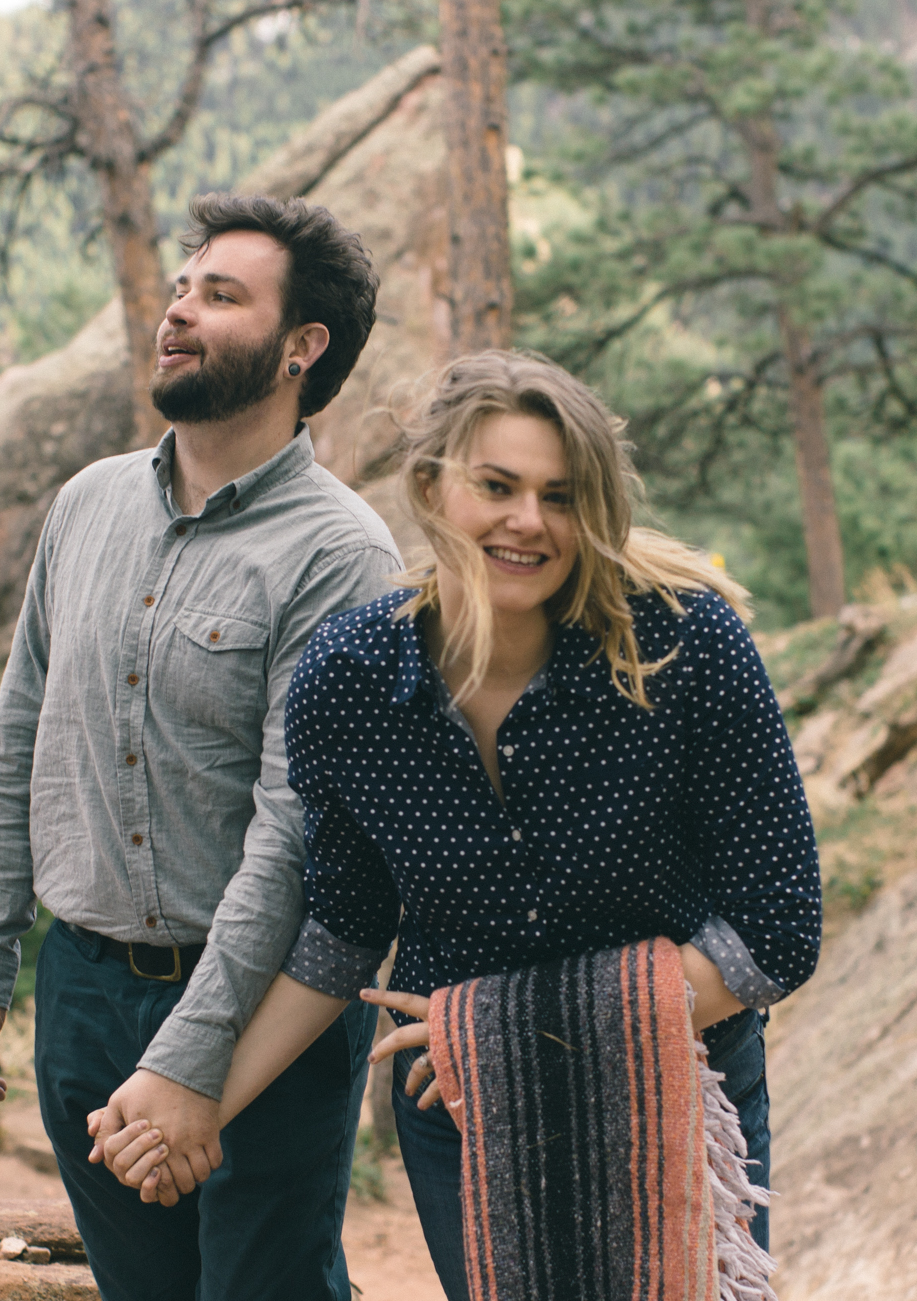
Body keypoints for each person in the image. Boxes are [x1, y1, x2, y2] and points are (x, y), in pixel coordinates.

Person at [99, 349, 823, 1298]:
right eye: (497, 485)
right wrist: (195, 1092)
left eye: (561, 496)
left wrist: (504, 1033)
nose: (529, 520)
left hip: (674, 1085)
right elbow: (343, 932)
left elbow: (778, 929)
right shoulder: (350, 681)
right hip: (464, 1110)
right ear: (432, 489)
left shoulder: (686, 643)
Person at [0, 192, 402, 1300]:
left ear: (301, 347)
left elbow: (292, 836)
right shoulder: (86, 505)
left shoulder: (342, 556)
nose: (178, 311)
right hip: (83, 991)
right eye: (183, 287)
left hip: (262, 1007)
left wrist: (191, 1058)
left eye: (221, 296)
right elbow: (19, 738)